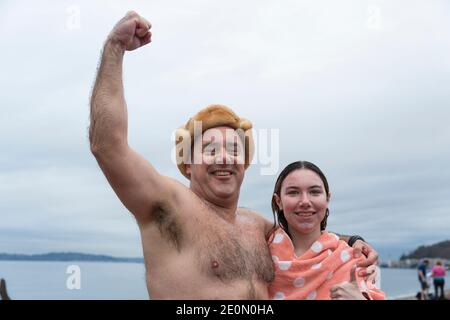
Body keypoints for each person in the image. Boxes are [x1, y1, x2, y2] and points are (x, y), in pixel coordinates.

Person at [89, 11, 379, 299]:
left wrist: (354, 242)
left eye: (234, 149)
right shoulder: (169, 205)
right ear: (188, 164)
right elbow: (107, 145)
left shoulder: (256, 226)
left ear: (245, 162)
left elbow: (305, 225)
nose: (224, 158)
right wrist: (114, 48)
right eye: (210, 149)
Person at [268, 161, 385, 300]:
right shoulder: (260, 256)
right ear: (279, 201)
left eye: (314, 192)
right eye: (293, 192)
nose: (305, 201)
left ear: (327, 199)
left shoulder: (355, 260)